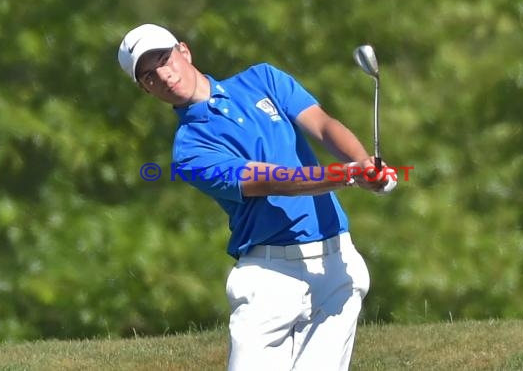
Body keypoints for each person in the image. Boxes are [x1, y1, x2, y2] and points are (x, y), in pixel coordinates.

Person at [118, 23, 397, 371]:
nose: (163, 74)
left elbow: (323, 126)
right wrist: (348, 176)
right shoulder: (189, 151)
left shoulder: (262, 79)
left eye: (163, 58)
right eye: (148, 75)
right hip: (270, 276)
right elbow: (275, 181)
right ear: (146, 89)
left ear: (184, 51)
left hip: (335, 265)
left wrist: (364, 164)